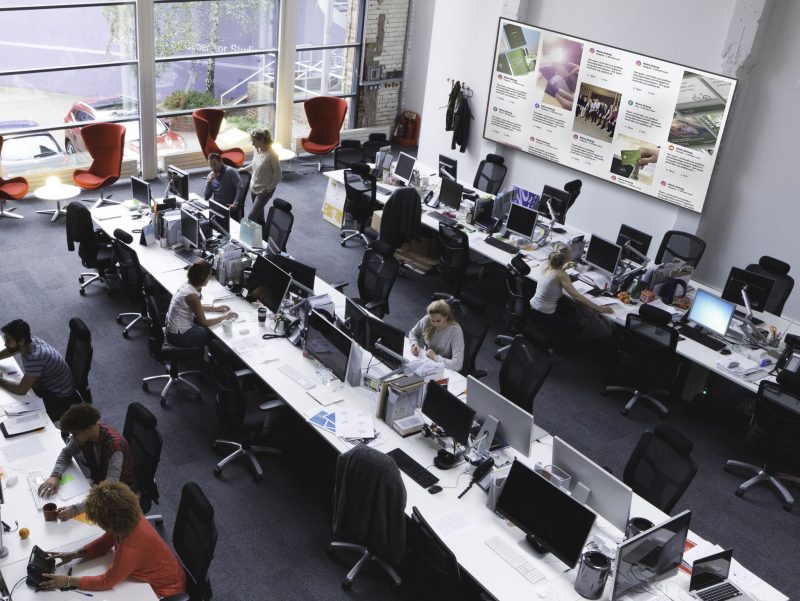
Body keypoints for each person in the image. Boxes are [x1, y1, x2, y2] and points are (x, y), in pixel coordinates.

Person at [41, 481, 186, 598]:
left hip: (165, 591)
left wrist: (67, 581)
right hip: (164, 573)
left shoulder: (131, 548)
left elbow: (106, 581)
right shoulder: (127, 519)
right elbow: (106, 541)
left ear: (110, 522)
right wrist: (74, 554)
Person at [37, 404, 136, 521]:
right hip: (99, 482)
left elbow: (108, 491)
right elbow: (66, 452)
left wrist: (75, 510)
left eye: (75, 434)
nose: (73, 438)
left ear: (89, 429)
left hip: (118, 493)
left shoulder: (115, 448)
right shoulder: (86, 435)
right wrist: (55, 476)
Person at [528, 244, 613, 340]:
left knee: (570, 311)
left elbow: (554, 275)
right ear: (567, 258)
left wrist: (563, 267)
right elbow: (576, 296)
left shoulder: (547, 265)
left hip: (533, 308)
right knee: (578, 328)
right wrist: (598, 309)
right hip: (545, 315)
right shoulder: (562, 275)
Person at [0, 319, 74, 421]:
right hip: (48, 382)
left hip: (59, 395)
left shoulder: (35, 357)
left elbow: (21, 390)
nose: (5, 344)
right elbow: (12, 350)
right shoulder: (30, 341)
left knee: (22, 416)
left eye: (8, 340)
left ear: (21, 341)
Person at [165, 259, 237, 347]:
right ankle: (206, 358)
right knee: (217, 336)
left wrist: (215, 308)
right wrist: (226, 316)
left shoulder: (187, 285)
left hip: (173, 330)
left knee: (211, 330)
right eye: (209, 276)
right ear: (202, 277)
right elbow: (204, 322)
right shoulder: (191, 295)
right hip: (179, 336)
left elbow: (195, 306)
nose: (210, 278)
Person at [237, 128, 282, 225]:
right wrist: (244, 169)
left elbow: (278, 175)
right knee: (259, 216)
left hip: (264, 191)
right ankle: (262, 236)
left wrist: (268, 189)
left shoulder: (272, 154)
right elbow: (254, 164)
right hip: (253, 187)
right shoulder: (257, 150)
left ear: (261, 140)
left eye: (254, 141)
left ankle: (250, 239)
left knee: (251, 217)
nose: (252, 144)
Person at [409, 300, 465, 371]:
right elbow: (413, 333)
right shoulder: (428, 319)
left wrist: (435, 357)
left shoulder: (455, 331)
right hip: (427, 361)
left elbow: (457, 365)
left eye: (438, 321)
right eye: (433, 321)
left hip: (445, 368)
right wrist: (414, 344)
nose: (435, 324)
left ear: (446, 317)